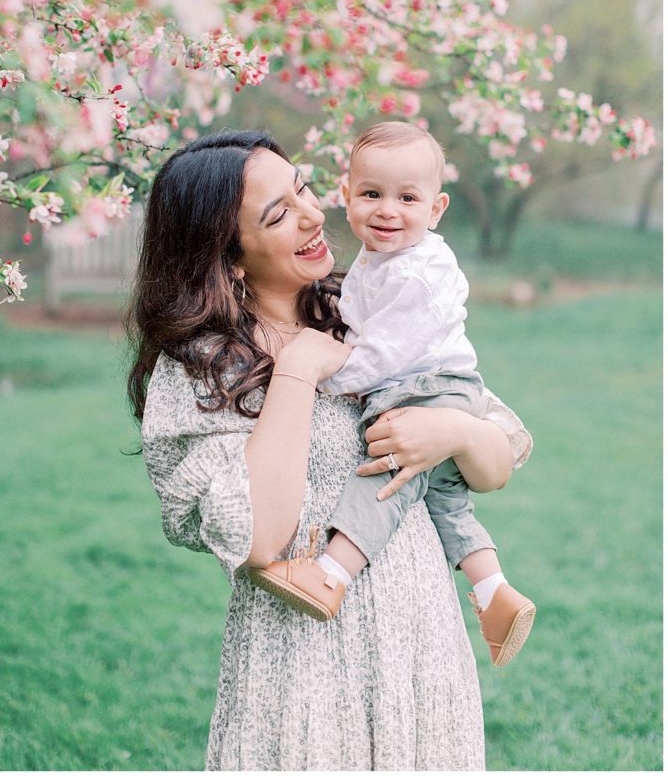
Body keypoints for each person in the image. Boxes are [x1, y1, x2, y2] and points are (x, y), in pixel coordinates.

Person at [128, 129, 534, 771]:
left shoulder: (365, 308)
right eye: (279, 213)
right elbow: (258, 537)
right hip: (302, 653)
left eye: (305, 189)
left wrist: (454, 433)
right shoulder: (206, 369)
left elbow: (497, 460)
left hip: (420, 637)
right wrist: (295, 372)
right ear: (228, 255)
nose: (315, 214)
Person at [251, 122, 536, 668]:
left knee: (385, 477)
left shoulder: (418, 272)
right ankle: (493, 592)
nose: (387, 210)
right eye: (371, 194)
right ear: (348, 195)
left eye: (407, 198)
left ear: (436, 208)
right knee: (446, 497)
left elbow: (385, 352)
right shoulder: (381, 258)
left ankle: (330, 575)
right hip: (435, 388)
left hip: (427, 391)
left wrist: (329, 375)